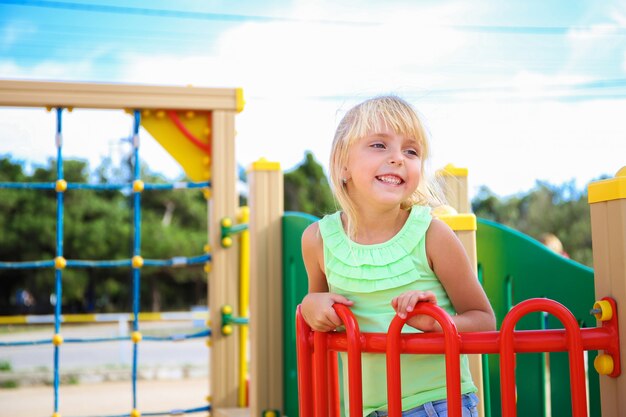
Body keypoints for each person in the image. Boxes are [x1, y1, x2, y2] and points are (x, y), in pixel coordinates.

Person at [300, 95, 496, 417]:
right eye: (379, 145)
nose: (398, 158)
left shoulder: (432, 235)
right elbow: (318, 309)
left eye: (411, 151)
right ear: (342, 163)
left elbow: (483, 320)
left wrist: (436, 323)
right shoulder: (318, 240)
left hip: (438, 405)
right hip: (363, 408)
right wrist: (310, 306)